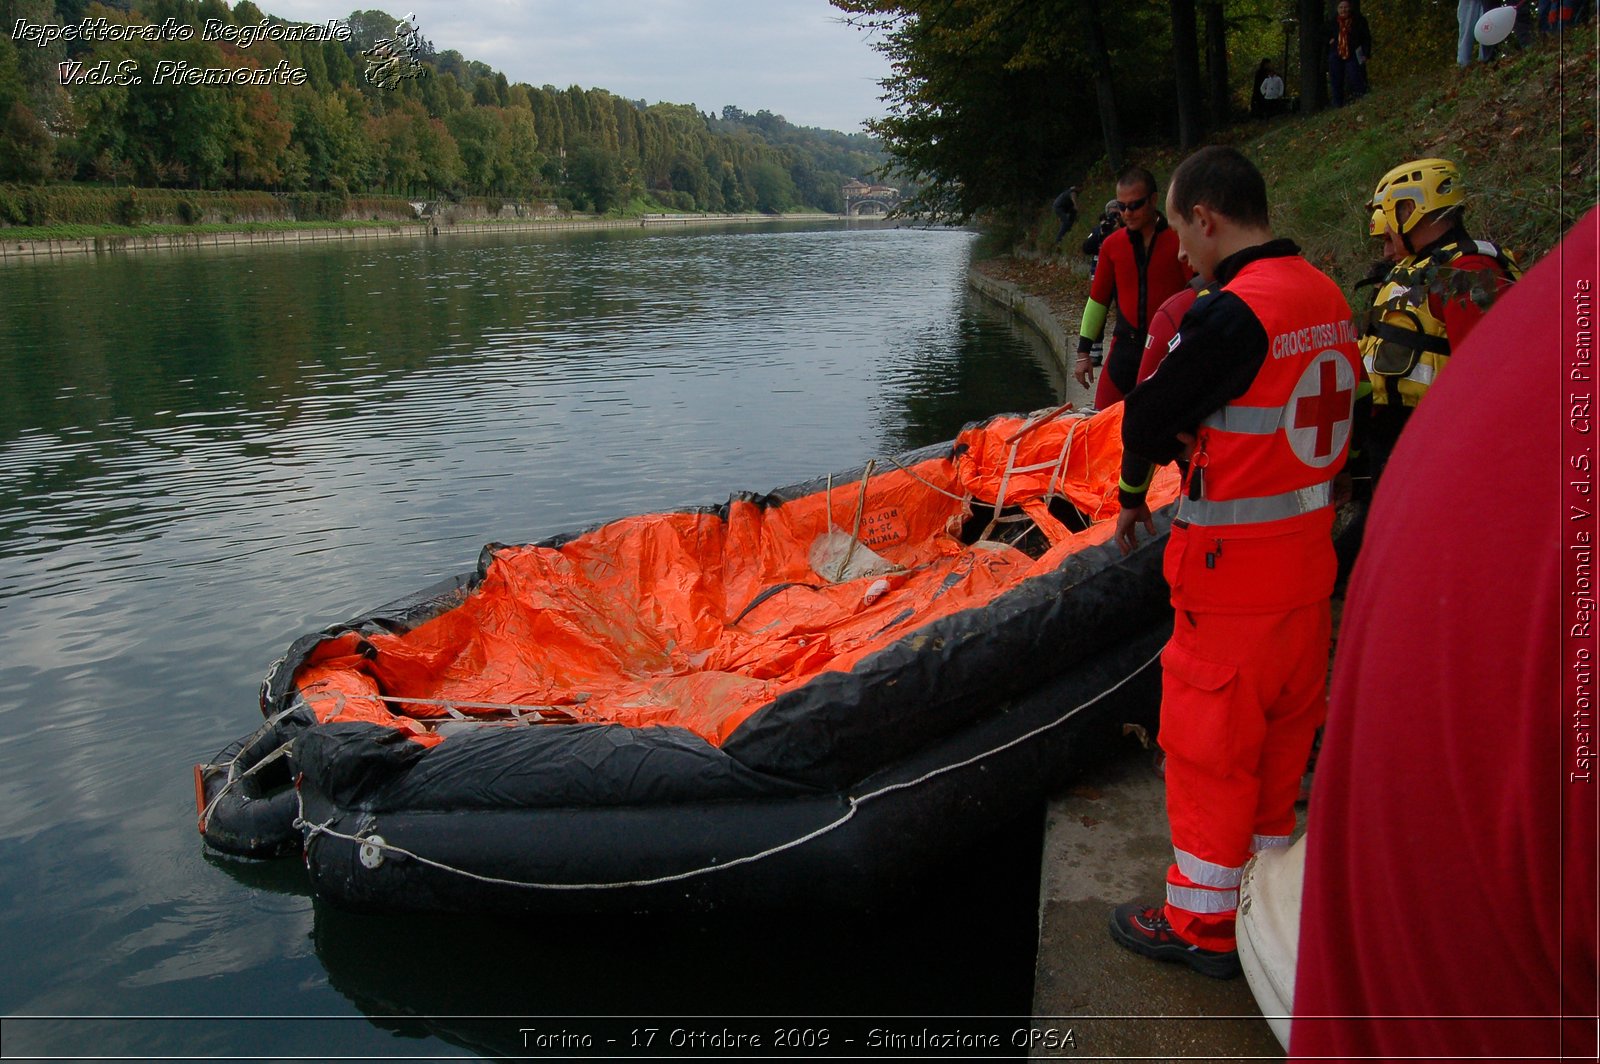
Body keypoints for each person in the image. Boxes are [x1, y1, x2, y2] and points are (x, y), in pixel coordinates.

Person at [1290, 208, 1599, 1061]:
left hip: (1403, 454)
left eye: (1387, 224)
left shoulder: (1476, 288)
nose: (1380, 238)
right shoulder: (1505, 284)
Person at [1107, 145, 1361, 979]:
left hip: (1230, 587)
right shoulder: (1326, 297)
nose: (1180, 250)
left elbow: (1143, 420)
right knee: (1281, 752)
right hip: (1306, 578)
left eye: (1181, 228)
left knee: (1212, 755)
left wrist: (1166, 437)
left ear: (1206, 220)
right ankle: (1259, 898)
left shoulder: (1231, 314)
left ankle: (1201, 925)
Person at [1354, 157, 1520, 490]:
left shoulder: (1467, 270)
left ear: (1408, 209)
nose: (1386, 229)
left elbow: (1486, 376)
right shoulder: (1424, 267)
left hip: (1431, 446)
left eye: (1388, 215)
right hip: (1394, 442)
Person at [1074, 167, 1191, 408]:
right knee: (1101, 424)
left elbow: (1197, 293)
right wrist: (1083, 354)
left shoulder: (1178, 239)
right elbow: (1098, 300)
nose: (1127, 213)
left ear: (1153, 200)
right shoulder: (1112, 246)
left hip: (1167, 349)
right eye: (1121, 206)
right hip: (1124, 349)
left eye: (1135, 205)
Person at [1326, 0, 1371, 106]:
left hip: (1354, 52)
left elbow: (1366, 38)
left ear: (1349, 8)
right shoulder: (1332, 22)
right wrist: (1329, 39)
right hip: (1336, 53)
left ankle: (1361, 99)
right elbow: (1323, 34)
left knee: (1355, 75)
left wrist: (1366, 53)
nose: (1343, 10)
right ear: (1337, 9)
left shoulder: (1359, 20)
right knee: (1336, 79)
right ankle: (1337, 104)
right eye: (1341, 8)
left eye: (1345, 7)